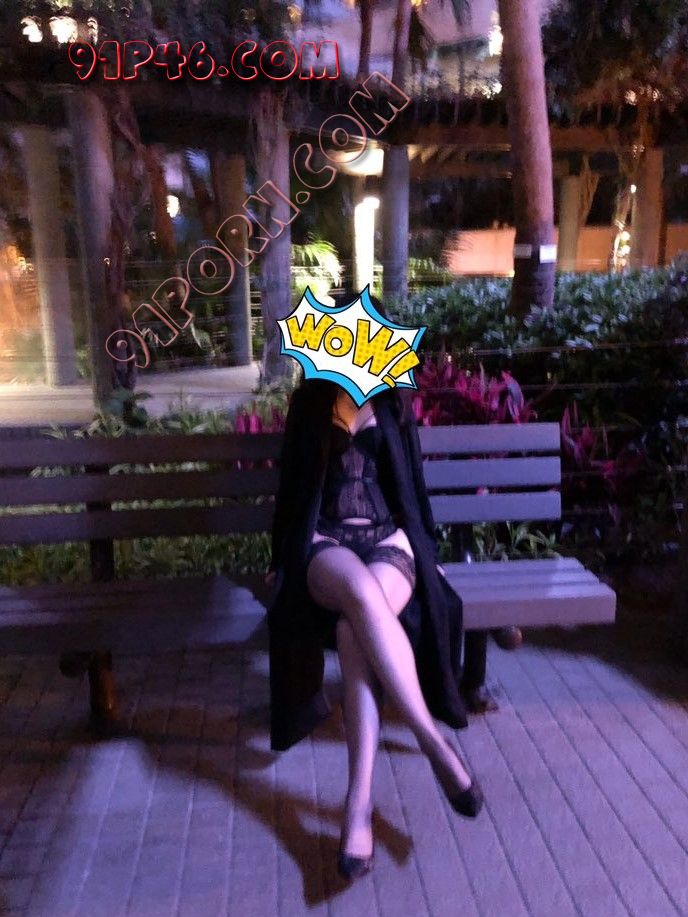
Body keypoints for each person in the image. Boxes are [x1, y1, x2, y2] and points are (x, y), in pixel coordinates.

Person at [265, 350, 483, 881]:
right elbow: (292, 491)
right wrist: (278, 559)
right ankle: (432, 740)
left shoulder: (394, 405)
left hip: (391, 542)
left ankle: (357, 805)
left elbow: (413, 487)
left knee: (352, 631)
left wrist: (430, 557)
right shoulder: (309, 405)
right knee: (360, 597)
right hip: (327, 543)